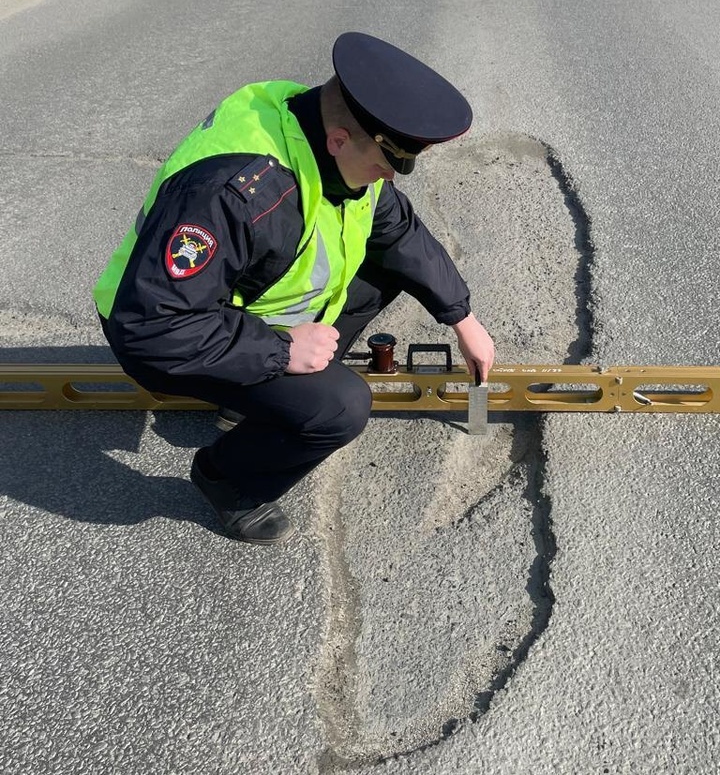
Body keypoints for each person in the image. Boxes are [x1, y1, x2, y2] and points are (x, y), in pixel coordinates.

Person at [93, 32, 495, 546]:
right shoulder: (237, 192)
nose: (390, 178)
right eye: (385, 164)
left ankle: (256, 401)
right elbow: (150, 326)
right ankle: (227, 479)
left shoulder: (328, 131)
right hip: (168, 327)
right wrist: (282, 349)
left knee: (389, 266)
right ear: (340, 141)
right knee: (340, 407)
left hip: (236, 304)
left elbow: (398, 232)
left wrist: (462, 317)